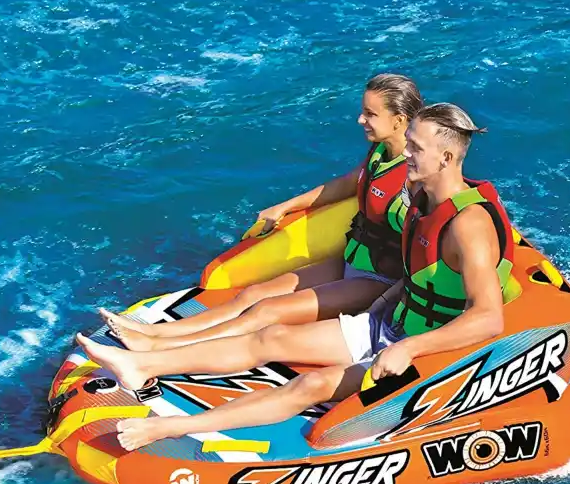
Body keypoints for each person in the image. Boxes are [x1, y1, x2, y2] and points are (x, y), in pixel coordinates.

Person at [75, 102, 515, 451]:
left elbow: (488, 318)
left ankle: (167, 428)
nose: (406, 154)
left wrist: (410, 347)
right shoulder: (422, 198)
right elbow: (424, 272)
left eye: (415, 148)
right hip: (394, 325)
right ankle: (144, 364)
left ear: (447, 157)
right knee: (272, 337)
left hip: (433, 352)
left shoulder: (469, 224)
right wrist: (387, 305)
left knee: (312, 384)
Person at [100, 73, 423, 352]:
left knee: (266, 311)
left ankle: (159, 347)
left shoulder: (415, 178)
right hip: (352, 261)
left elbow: (426, 247)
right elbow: (351, 182)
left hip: (377, 281)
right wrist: (285, 206)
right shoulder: (381, 151)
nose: (360, 120)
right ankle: (156, 332)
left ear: (398, 120)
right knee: (253, 294)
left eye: (370, 114)